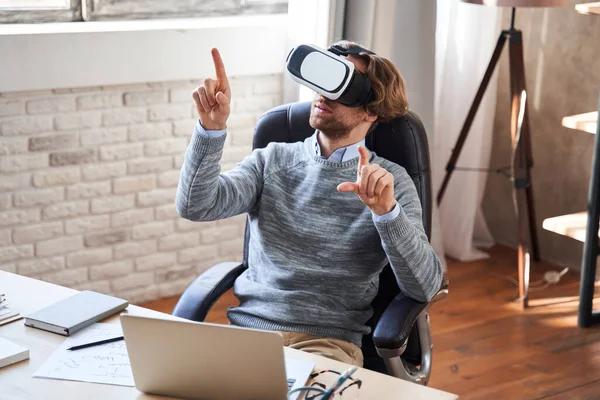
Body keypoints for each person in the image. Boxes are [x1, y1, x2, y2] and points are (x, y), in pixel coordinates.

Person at [176, 41, 443, 367]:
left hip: (327, 342)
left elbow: (425, 285)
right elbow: (196, 205)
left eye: (343, 87)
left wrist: (387, 214)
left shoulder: (390, 182)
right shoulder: (272, 160)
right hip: (249, 334)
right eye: (323, 81)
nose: (323, 94)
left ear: (372, 109)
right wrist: (210, 129)